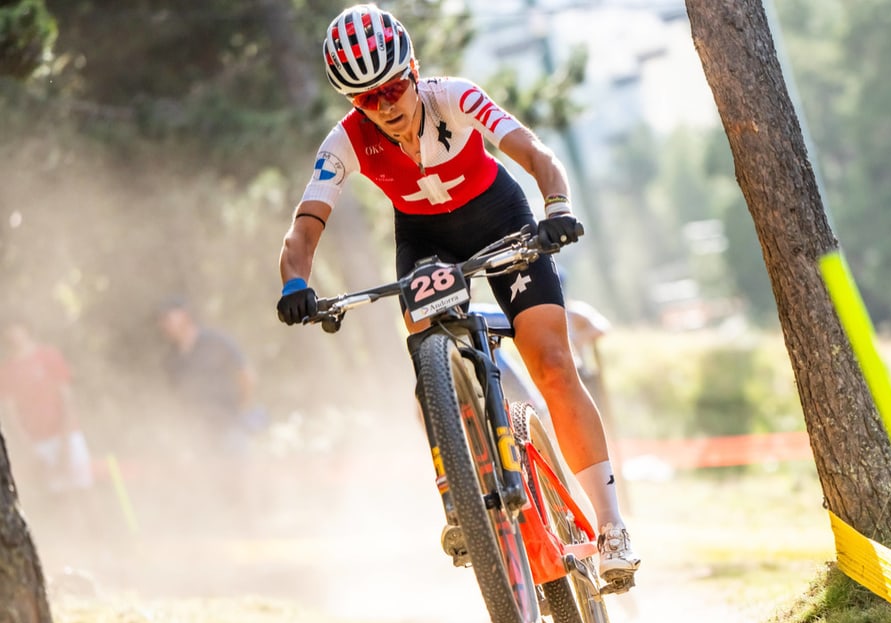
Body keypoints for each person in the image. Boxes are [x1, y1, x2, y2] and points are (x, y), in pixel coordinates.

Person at [274, 5, 639, 584]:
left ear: (414, 70)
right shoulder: (345, 142)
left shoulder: (456, 97)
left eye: (394, 87)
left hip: (500, 217)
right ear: (353, 104)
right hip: (424, 242)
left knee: (550, 361)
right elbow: (305, 224)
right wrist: (296, 281)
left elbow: (536, 155)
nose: (387, 106)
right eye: (369, 100)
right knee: (427, 369)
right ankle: (460, 503)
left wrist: (558, 208)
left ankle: (613, 524)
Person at [0, 321, 98, 565]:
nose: (13, 334)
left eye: (16, 327)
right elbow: (11, 413)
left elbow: (65, 396)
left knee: (84, 489)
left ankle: (99, 542)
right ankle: (78, 550)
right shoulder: (7, 370)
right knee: (61, 494)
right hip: (38, 441)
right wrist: (29, 447)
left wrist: (65, 439)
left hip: (67, 434)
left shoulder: (48, 356)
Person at [157, 298, 263, 454]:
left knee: (236, 475)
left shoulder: (216, 342)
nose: (164, 325)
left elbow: (246, 375)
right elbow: (175, 398)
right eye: (161, 320)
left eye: (168, 318)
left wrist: (241, 408)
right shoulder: (171, 359)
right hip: (197, 436)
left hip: (230, 427)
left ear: (185, 316)